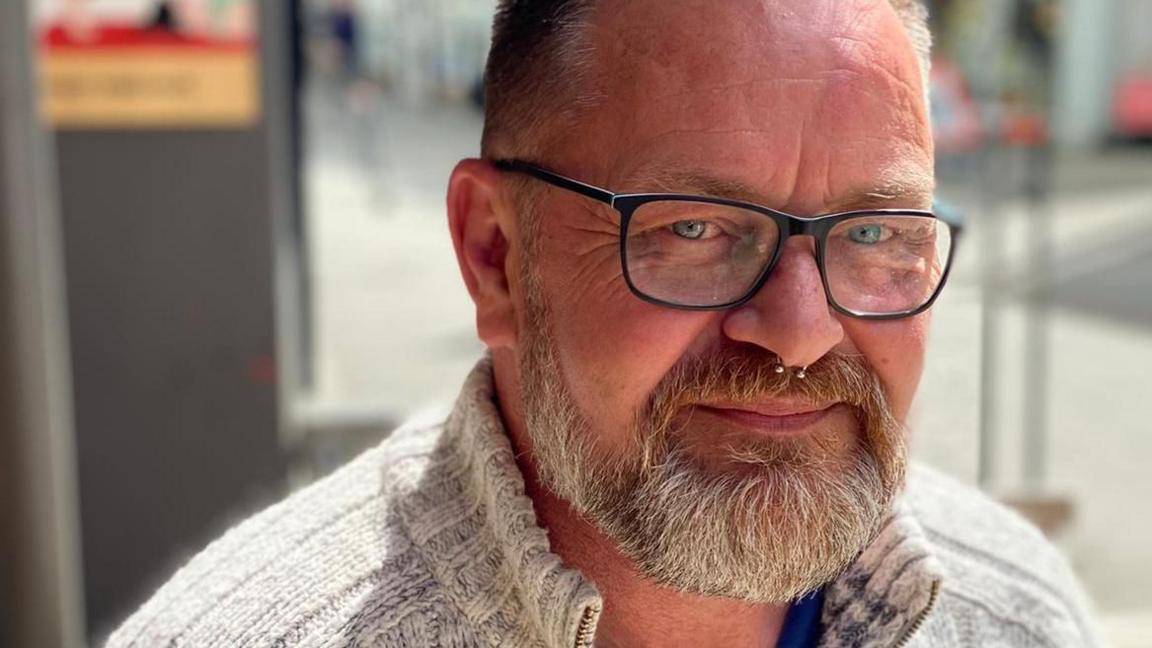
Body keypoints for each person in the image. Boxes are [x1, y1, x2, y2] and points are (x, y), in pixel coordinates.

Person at [107, 0, 1101, 645]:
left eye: (878, 231)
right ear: (495, 256)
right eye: (696, 228)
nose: (801, 331)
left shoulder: (1017, 612)